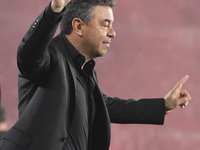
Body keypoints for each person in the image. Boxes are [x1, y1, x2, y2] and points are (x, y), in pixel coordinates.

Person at [0, 0, 191, 149]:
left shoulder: (85, 71)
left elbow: (105, 105)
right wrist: (53, 11)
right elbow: (28, 57)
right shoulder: (49, 57)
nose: (113, 33)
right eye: (105, 24)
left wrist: (163, 104)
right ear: (78, 26)